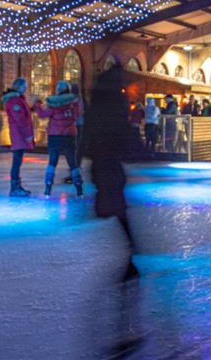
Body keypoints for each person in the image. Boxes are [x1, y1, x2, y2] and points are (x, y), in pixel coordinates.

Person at [85, 67, 141, 279]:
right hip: (109, 164)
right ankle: (131, 251)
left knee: (114, 209)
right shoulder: (114, 104)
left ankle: (131, 253)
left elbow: (90, 134)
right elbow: (122, 132)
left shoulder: (97, 104)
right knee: (115, 210)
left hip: (102, 164)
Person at [34, 81, 83, 197]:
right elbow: (78, 115)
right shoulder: (74, 103)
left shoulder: (54, 103)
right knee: (72, 162)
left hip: (54, 135)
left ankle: (48, 187)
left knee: (52, 162)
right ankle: (79, 189)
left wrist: (37, 104)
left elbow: (42, 114)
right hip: (69, 135)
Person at [2, 79, 34, 197]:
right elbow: (20, 120)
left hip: (19, 135)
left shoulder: (18, 99)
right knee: (16, 162)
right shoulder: (15, 100)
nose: (26, 88)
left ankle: (16, 186)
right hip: (19, 135)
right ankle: (14, 188)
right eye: (25, 86)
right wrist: (28, 135)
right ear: (19, 87)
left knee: (17, 161)